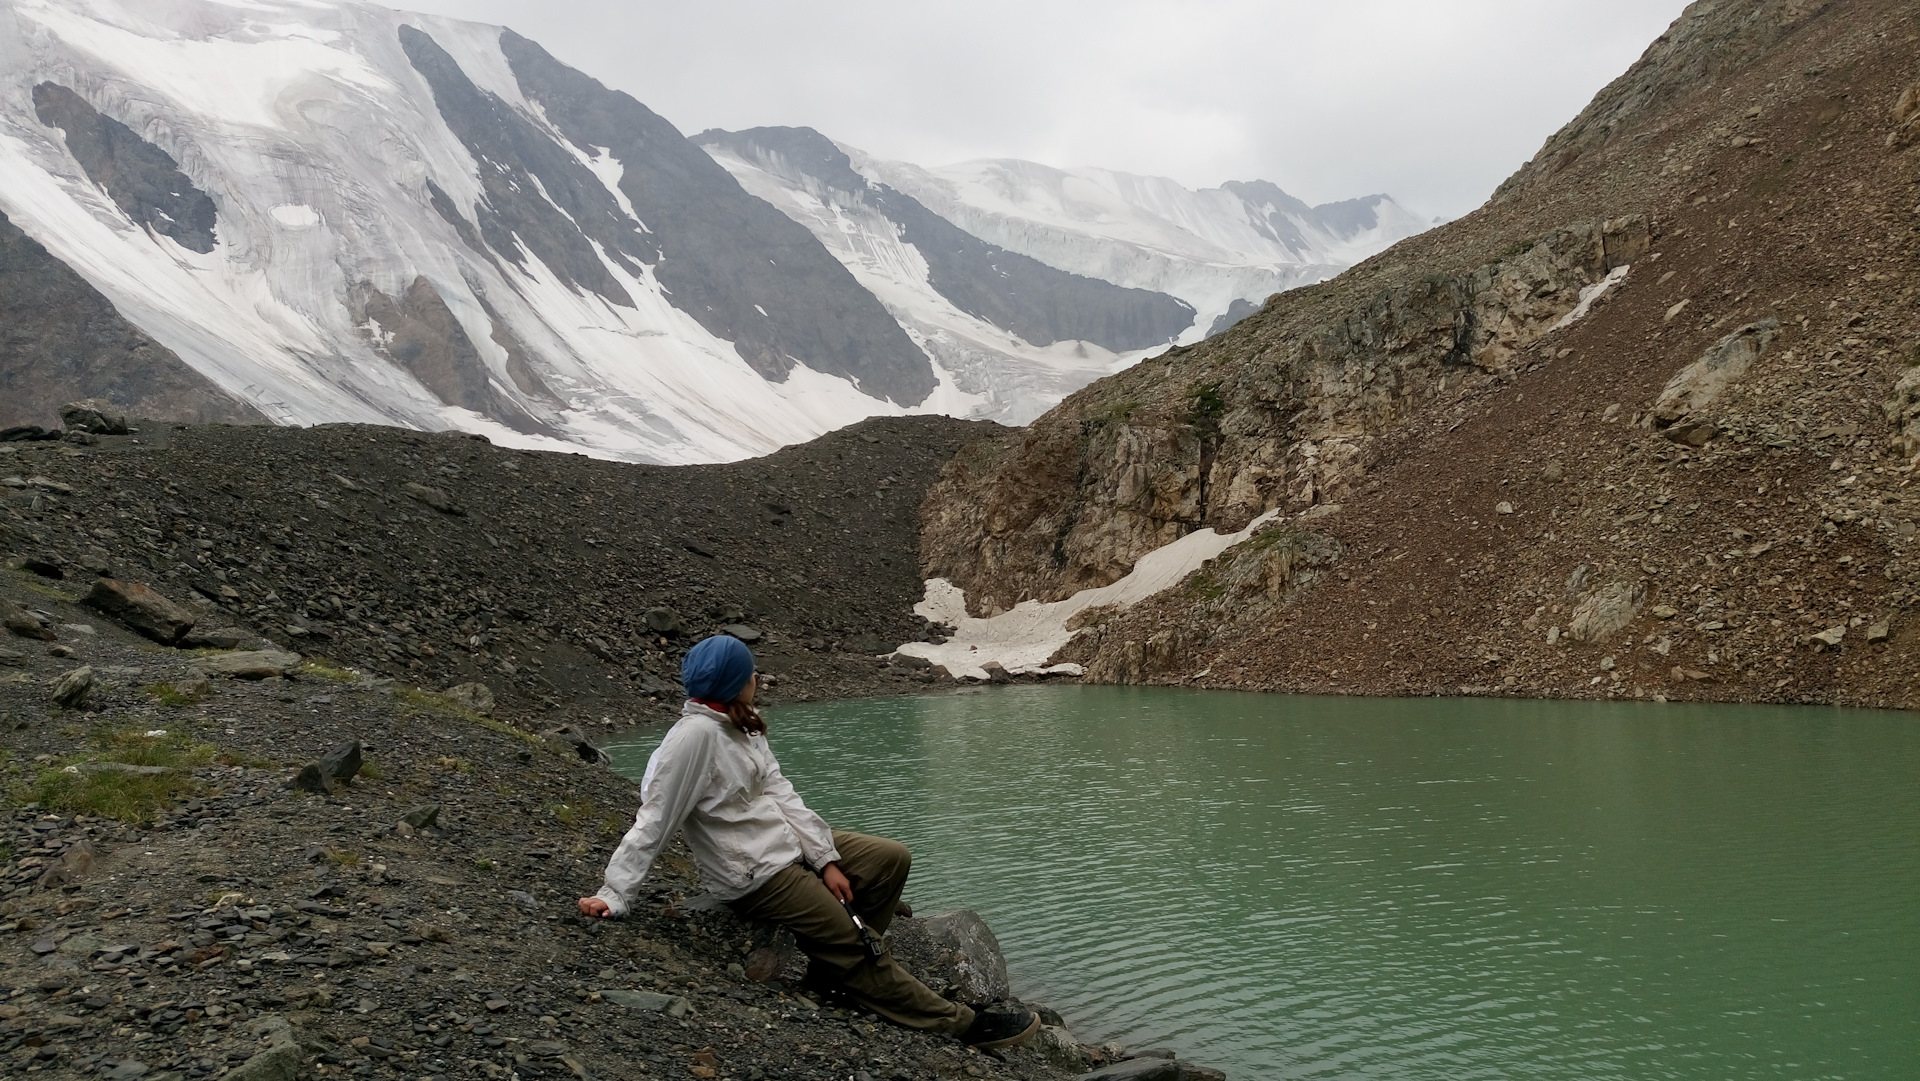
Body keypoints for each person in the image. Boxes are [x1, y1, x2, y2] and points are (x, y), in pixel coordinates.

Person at [579, 634, 1038, 1049]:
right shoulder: (694, 738)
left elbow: (782, 794)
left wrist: (825, 859)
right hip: (754, 872)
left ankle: (835, 976)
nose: (756, 678)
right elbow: (654, 819)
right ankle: (958, 1024)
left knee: (890, 859)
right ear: (735, 682)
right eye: (750, 673)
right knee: (855, 942)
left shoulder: (739, 723)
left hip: (785, 847)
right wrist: (615, 893)